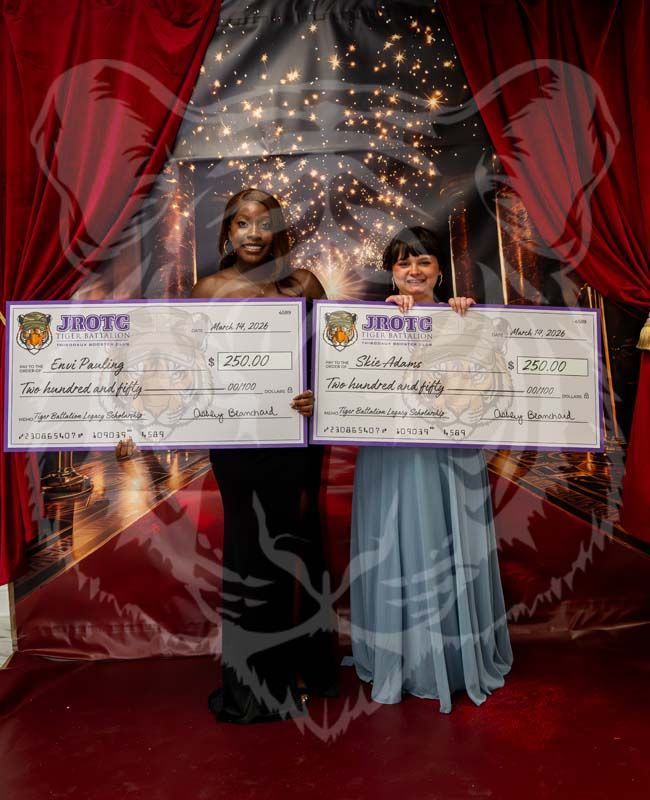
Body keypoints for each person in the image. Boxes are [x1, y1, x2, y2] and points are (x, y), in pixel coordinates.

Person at [350, 226, 513, 714]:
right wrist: (387, 328)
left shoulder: (464, 317)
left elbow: (489, 382)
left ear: (440, 268)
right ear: (391, 272)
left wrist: (460, 324)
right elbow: (355, 390)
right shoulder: (367, 321)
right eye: (403, 264)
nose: (414, 271)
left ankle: (456, 658)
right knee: (395, 542)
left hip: (449, 450)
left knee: (448, 541)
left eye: (423, 261)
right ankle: (399, 656)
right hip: (391, 452)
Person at [191, 188, 338, 723]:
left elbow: (338, 354)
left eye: (263, 223)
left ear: (278, 229)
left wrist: (318, 391)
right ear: (228, 233)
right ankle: (253, 683)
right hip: (235, 444)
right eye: (242, 224)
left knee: (293, 549)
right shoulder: (208, 289)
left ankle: (299, 667)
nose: (253, 233)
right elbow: (191, 368)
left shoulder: (302, 283)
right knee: (248, 552)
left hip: (293, 439)